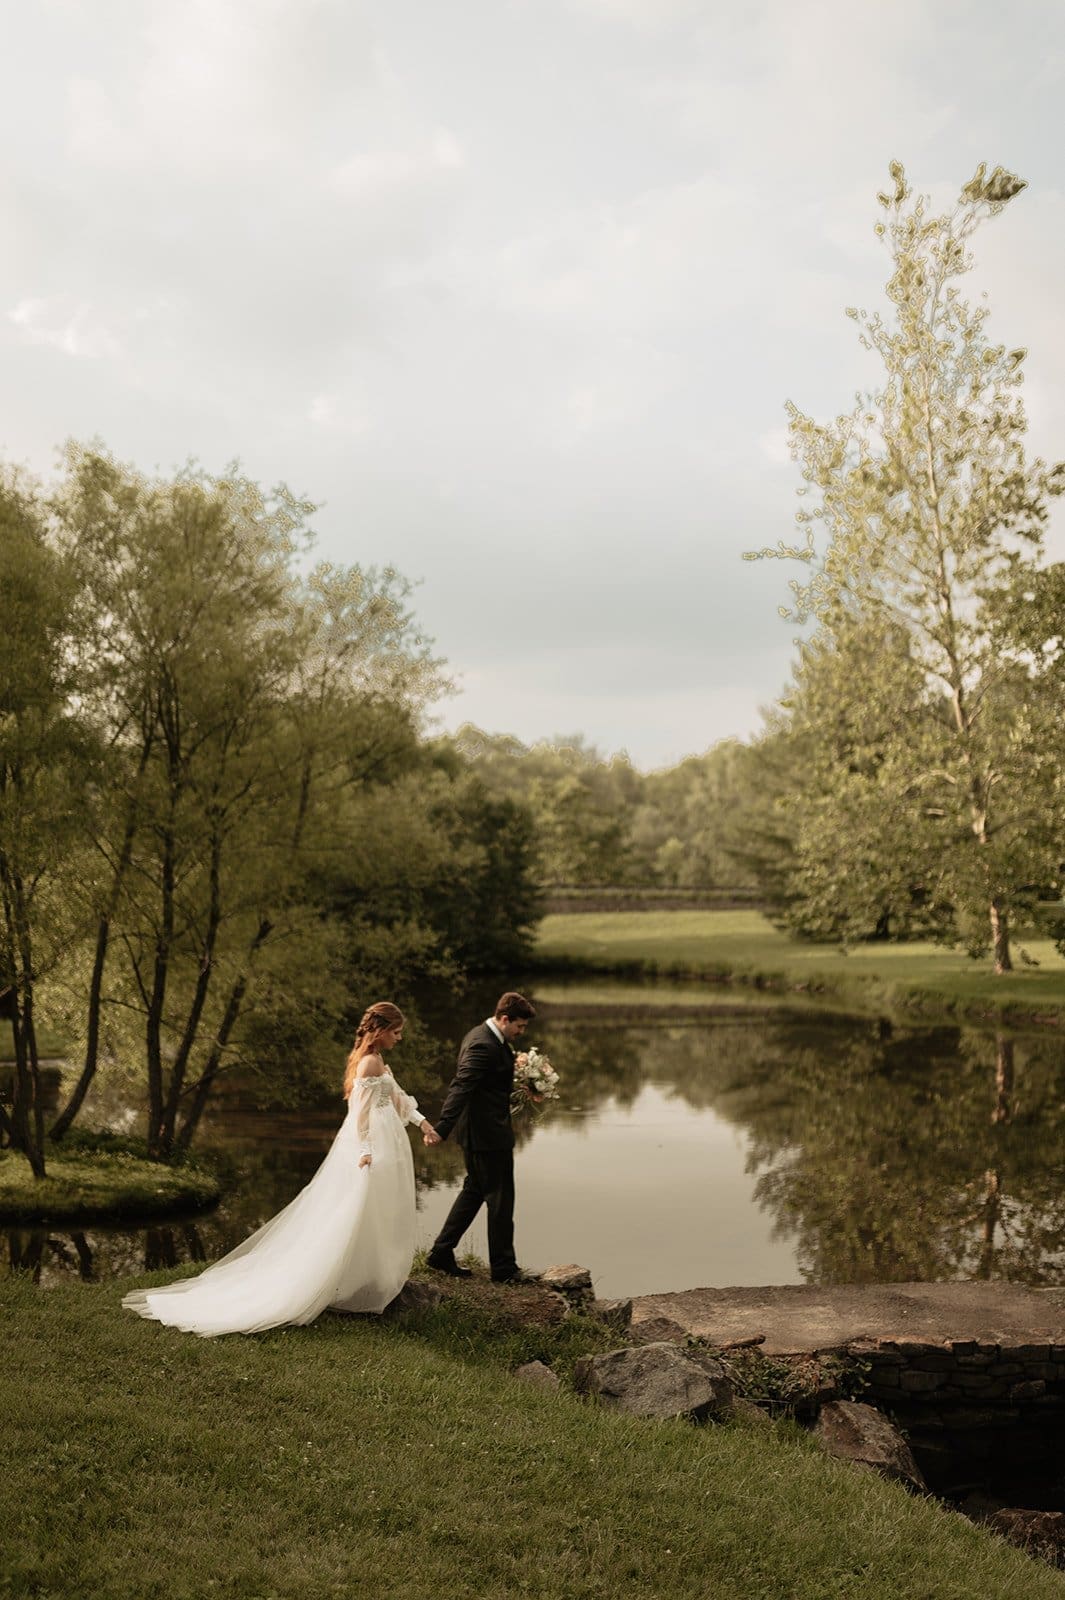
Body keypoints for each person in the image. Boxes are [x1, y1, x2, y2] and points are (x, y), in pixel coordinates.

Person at [122, 1002, 440, 1336]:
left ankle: (366, 1277)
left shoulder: (378, 1061)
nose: (399, 1038)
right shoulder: (369, 1063)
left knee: (376, 1211)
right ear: (380, 1030)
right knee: (359, 1211)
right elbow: (359, 1113)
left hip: (385, 1140)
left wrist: (424, 1124)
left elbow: (399, 1098)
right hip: (373, 1146)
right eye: (396, 1031)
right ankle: (344, 1280)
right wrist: (364, 1151)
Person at [424, 991, 536, 1283]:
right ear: (504, 1018)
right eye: (519, 1027)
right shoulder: (482, 1044)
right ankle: (504, 1269)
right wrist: (442, 1127)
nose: (521, 1033)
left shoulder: (489, 1037)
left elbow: (489, 1083)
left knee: (474, 1191)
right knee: (501, 1200)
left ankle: (440, 1253)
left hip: (489, 1131)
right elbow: (461, 1086)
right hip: (486, 1136)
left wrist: (525, 1084)